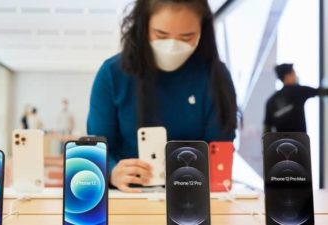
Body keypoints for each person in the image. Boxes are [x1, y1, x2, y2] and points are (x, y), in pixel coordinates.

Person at [87, 0, 237, 193]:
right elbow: (97, 148)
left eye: (187, 37)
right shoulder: (112, 74)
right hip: (129, 196)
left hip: (194, 196)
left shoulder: (215, 77)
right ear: (143, 26)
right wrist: (112, 171)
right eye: (161, 35)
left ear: (203, 30)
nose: (173, 46)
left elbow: (220, 150)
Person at [264, 63, 328, 133]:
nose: (295, 75)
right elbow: (319, 91)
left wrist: (268, 147)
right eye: (294, 73)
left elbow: (267, 129)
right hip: (300, 143)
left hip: (280, 145)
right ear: (288, 75)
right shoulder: (298, 91)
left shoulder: (270, 102)